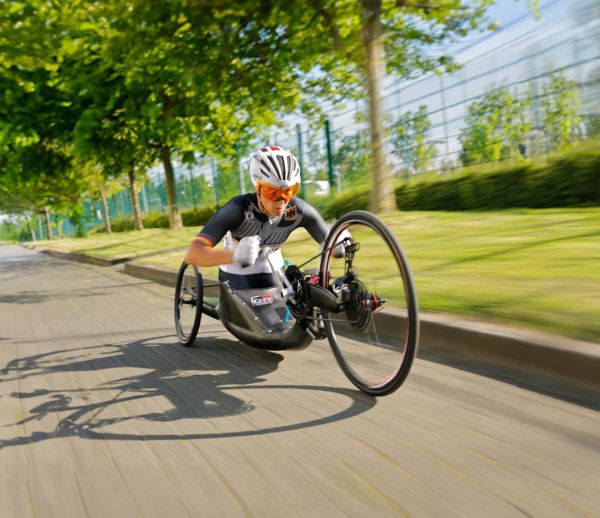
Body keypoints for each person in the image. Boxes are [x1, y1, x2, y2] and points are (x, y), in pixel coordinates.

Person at [185, 146, 346, 279]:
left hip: (274, 272)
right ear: (258, 188)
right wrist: (234, 255)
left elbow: (329, 241)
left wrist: (337, 242)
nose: (282, 200)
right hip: (235, 272)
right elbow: (193, 253)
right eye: (272, 192)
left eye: (289, 191)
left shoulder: (297, 210)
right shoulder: (237, 209)